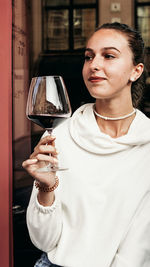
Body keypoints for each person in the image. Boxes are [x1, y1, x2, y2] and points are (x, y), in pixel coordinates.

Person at [22, 22, 150, 267]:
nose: (94, 65)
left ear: (136, 71)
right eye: (88, 57)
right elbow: (44, 242)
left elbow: (140, 249)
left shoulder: (147, 145)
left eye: (109, 56)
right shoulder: (61, 136)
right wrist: (46, 188)